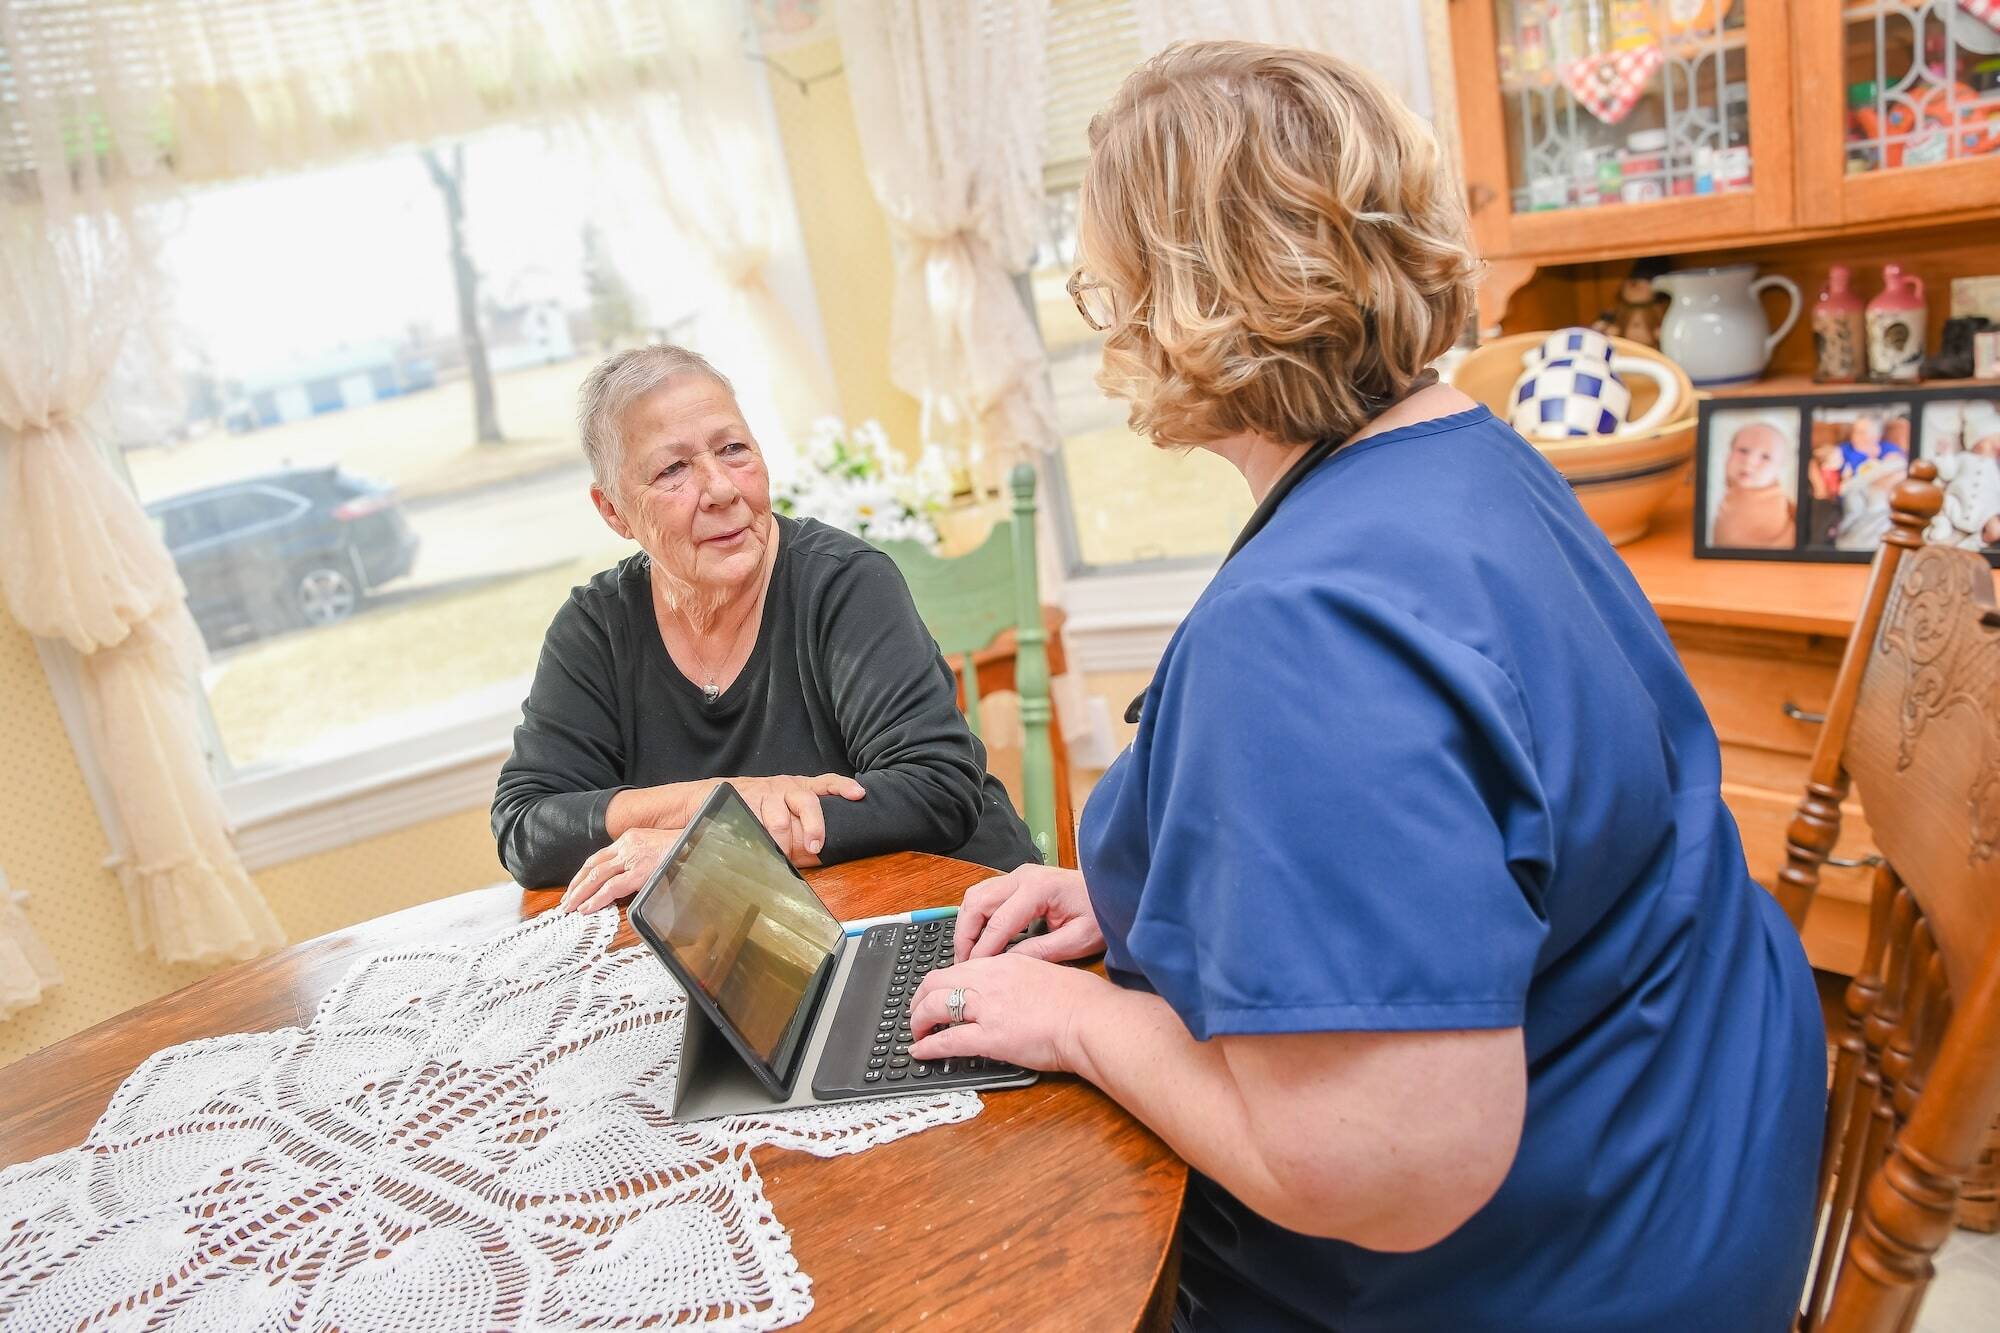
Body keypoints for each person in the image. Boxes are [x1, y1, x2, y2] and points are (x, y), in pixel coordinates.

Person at [908, 42, 1823, 1332]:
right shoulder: (1470, 460)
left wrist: (1070, 1021)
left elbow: (1388, 1171)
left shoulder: (1298, 626)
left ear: (1167, 297)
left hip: (1550, 1268)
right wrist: (1165, 896)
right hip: (1699, 1158)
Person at [491, 345, 1039, 907]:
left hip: (964, 913)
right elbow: (527, 824)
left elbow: (934, 791)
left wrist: (712, 849)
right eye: (674, 468)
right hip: (785, 938)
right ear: (613, 511)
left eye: (733, 450)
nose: (722, 489)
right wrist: (724, 804)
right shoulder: (596, 627)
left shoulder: (844, 583)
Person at [1710, 420, 1797, 548]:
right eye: (1743, 450)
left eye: (1765, 457)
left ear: (1779, 469)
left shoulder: (1776, 497)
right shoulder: (1727, 489)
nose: (1749, 461)